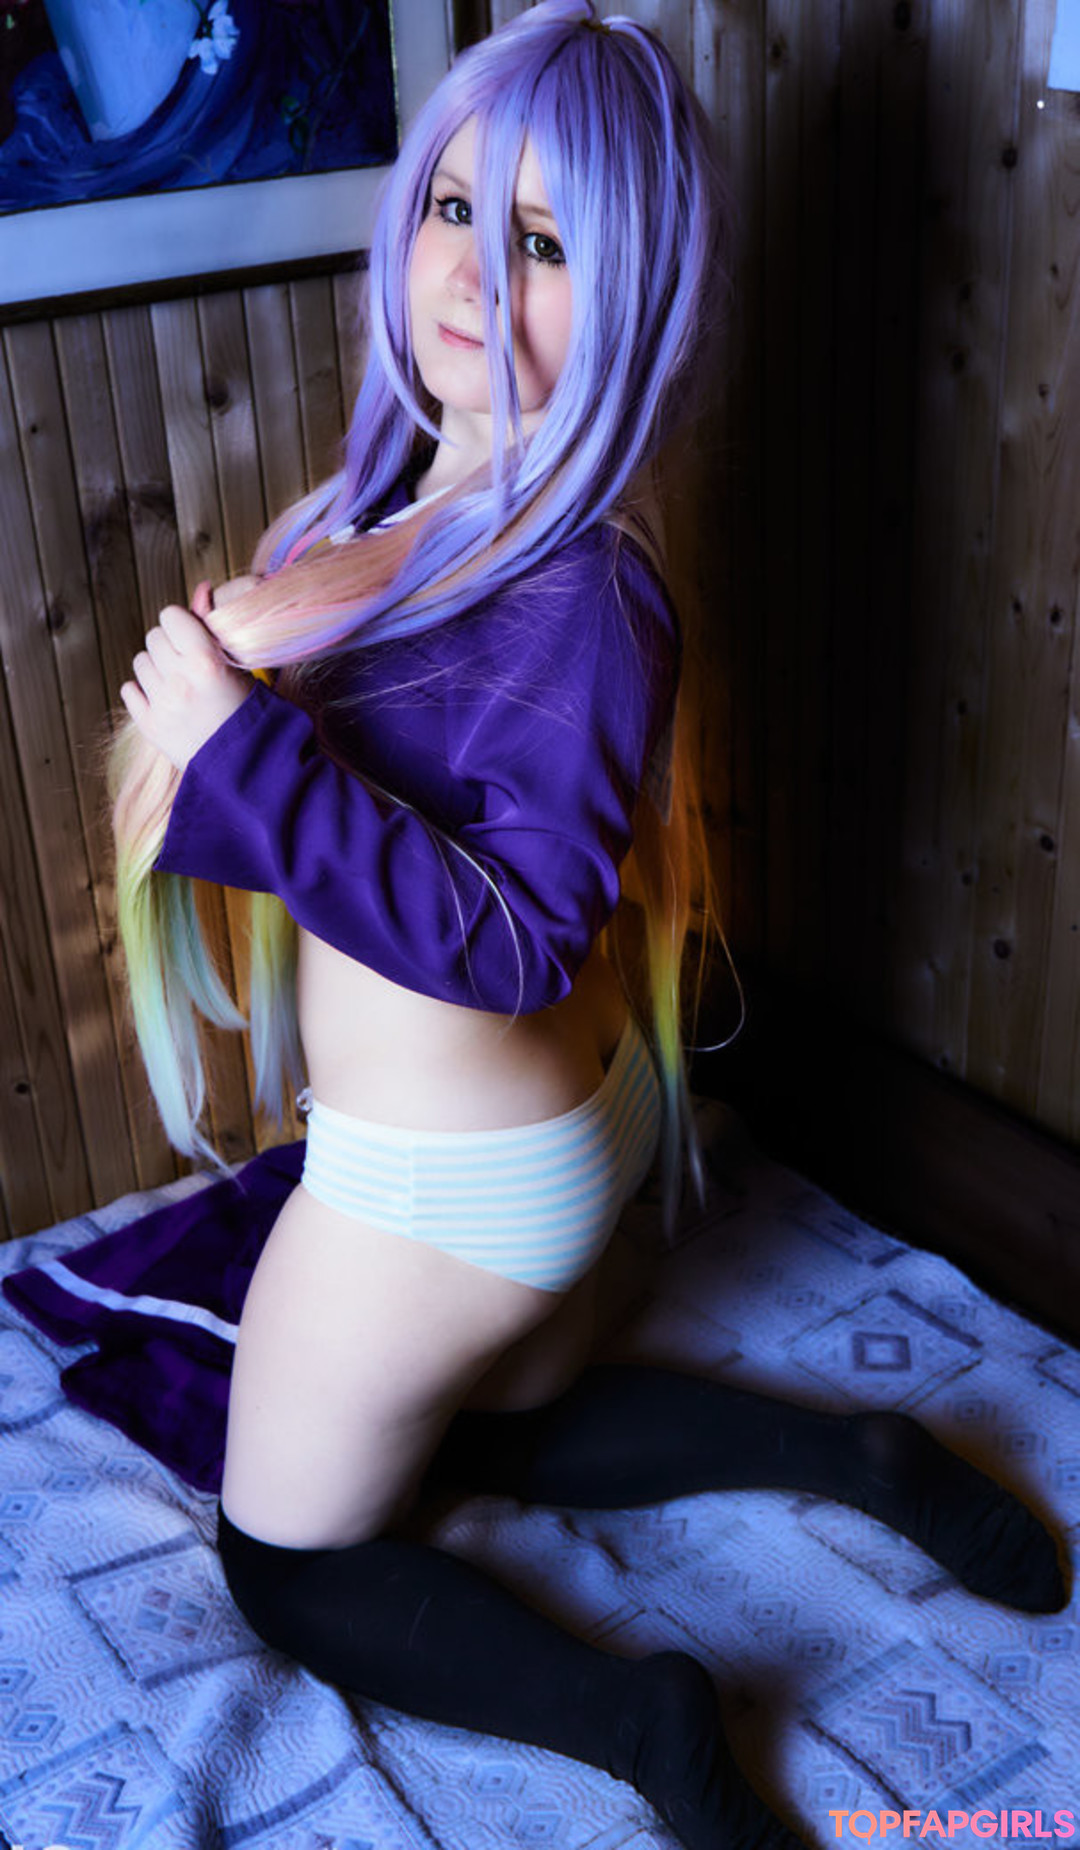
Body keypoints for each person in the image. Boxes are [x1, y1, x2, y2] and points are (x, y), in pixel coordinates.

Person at [111, 6, 1067, 1848]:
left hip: (444, 1187)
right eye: (454, 208)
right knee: (485, 1425)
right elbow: (385, 828)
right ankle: (855, 1450)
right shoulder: (401, 513)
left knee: (282, 1559)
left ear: (640, 306)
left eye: (544, 244)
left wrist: (241, 750)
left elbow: (514, 937)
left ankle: (634, 1714)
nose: (474, 273)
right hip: (546, 1145)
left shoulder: (585, 594)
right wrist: (252, 706)